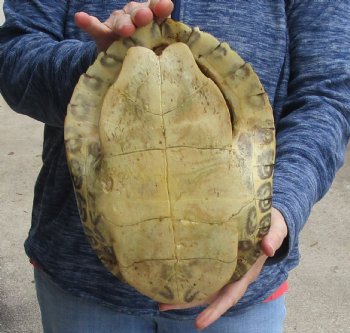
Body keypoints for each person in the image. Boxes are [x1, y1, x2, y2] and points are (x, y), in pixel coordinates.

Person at [0, 1, 349, 332]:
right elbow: (13, 54)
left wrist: (281, 210)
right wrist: (94, 66)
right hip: (80, 281)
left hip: (244, 290)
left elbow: (327, 92)